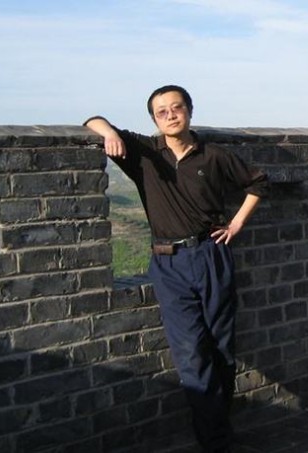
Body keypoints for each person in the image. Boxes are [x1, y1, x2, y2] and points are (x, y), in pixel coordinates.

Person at [83, 85, 268, 453]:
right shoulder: (145, 154)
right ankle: (216, 442)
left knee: (221, 349)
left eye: (176, 107)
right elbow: (92, 119)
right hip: (169, 263)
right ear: (154, 119)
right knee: (192, 354)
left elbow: (259, 182)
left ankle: (220, 430)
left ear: (189, 111)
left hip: (212, 255)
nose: (170, 115)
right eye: (161, 111)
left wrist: (236, 224)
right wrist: (109, 134)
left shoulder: (213, 156)